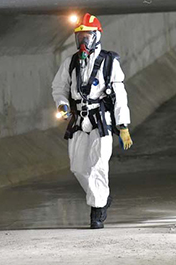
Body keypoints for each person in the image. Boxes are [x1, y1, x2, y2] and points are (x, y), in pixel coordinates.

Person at [52, 13, 133, 229]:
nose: (83, 41)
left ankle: (97, 213)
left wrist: (122, 125)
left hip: (101, 121)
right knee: (78, 167)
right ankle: (102, 197)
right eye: (80, 37)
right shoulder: (70, 63)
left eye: (87, 36)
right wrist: (62, 104)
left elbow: (119, 94)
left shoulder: (109, 62)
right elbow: (58, 87)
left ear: (96, 36)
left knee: (98, 165)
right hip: (79, 120)